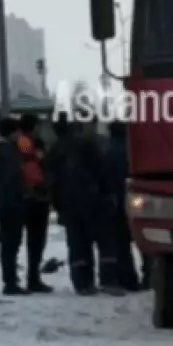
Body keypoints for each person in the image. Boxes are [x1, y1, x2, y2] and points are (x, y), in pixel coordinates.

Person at [47, 117, 125, 297]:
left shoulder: (53, 150)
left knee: (77, 245)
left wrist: (58, 205)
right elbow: (101, 171)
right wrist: (108, 195)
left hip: (69, 205)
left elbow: (51, 181)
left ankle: (82, 283)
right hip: (95, 202)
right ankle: (108, 280)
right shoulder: (87, 145)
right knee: (105, 243)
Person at [103, 120, 145, 291]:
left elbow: (105, 178)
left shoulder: (108, 151)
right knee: (143, 237)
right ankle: (149, 274)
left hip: (118, 201)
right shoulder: (135, 149)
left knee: (121, 242)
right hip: (138, 198)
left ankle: (128, 278)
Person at [0, 117, 28, 296]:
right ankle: (10, 282)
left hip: (1, 201)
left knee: (6, 242)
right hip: (12, 202)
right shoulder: (9, 152)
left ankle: (9, 279)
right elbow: (14, 177)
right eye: (17, 132)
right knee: (12, 242)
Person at [17, 113, 53, 293]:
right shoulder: (24, 141)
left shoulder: (30, 141)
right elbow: (31, 162)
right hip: (34, 197)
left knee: (37, 240)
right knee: (35, 240)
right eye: (38, 126)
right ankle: (33, 277)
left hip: (36, 196)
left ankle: (34, 276)